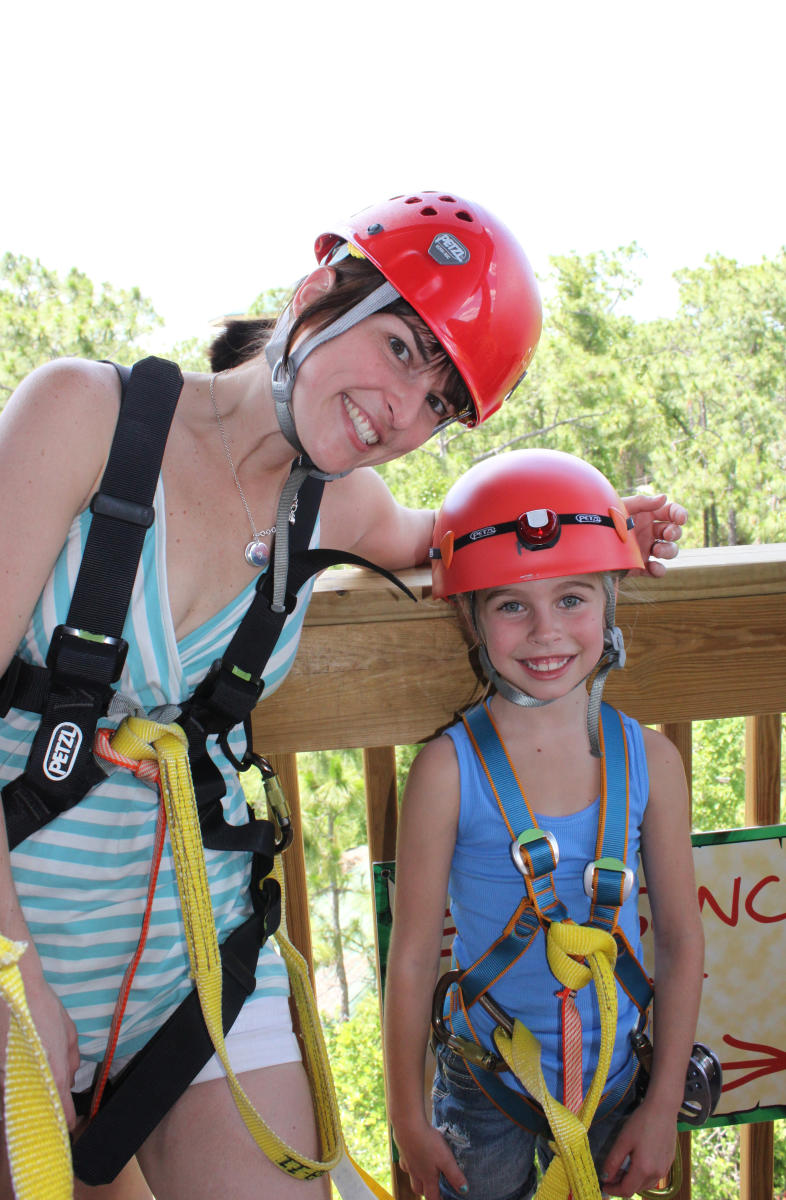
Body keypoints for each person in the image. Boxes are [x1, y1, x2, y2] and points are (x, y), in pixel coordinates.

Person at [0, 191, 684, 1200]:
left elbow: (460, 539)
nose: (403, 413)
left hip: (198, 966)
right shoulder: (84, 416)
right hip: (23, 933)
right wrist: (14, 972)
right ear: (320, 291)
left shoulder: (343, 501)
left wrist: (598, 521)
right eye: (405, 349)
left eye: (441, 402)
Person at [384, 449, 704, 1200]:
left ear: (611, 602)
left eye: (572, 600)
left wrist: (662, 1109)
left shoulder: (651, 763)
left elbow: (684, 942)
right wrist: (406, 1117)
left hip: (619, 1081)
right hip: (485, 1085)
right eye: (511, 606)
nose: (545, 632)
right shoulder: (446, 772)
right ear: (472, 614)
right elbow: (410, 959)